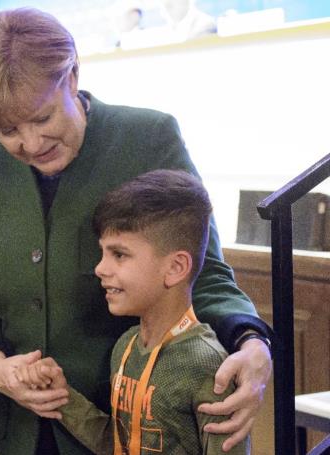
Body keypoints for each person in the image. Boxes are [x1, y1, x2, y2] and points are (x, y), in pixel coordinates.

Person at [0, 8, 272, 455]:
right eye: (7, 130)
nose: (31, 144)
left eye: (42, 118)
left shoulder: (148, 138)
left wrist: (252, 343)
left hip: (130, 428)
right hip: (20, 435)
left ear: (72, 76)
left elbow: (204, 271)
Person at [17, 169, 250, 454]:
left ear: (175, 267)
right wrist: (62, 397)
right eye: (103, 253)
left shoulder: (207, 365)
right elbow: (118, 444)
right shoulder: (126, 347)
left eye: (119, 254)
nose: (100, 268)